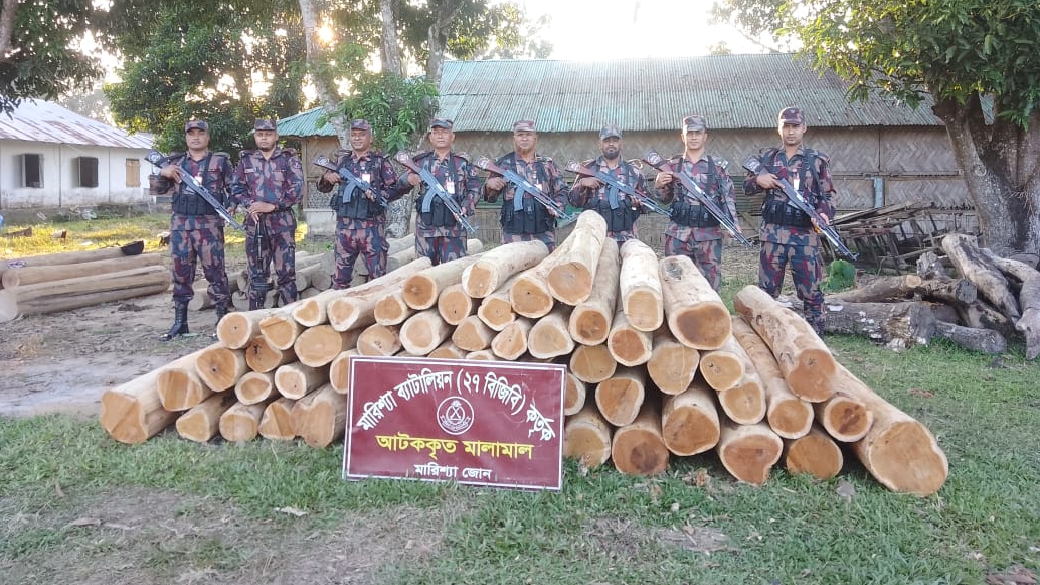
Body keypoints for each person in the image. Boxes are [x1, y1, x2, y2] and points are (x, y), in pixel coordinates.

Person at [744, 106, 836, 335]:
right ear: (779, 129)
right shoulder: (767, 158)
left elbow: (828, 196)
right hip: (772, 236)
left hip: (804, 237)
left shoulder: (816, 161)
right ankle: (764, 338)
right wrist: (759, 180)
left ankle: (816, 341)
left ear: (804, 128)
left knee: (811, 293)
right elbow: (747, 187)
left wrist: (824, 215)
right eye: (786, 127)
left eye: (795, 126)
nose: (791, 131)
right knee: (766, 293)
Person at [155, 119, 237, 341]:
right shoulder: (175, 162)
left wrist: (232, 205)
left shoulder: (220, 162)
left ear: (207, 137)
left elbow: (235, 187)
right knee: (180, 273)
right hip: (181, 226)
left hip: (209, 225)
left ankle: (222, 321)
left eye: (200, 133)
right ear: (186, 137)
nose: (196, 137)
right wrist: (163, 173)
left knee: (216, 273)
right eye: (191, 133)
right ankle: (180, 323)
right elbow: (157, 189)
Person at [653, 114, 740, 291]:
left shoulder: (717, 166)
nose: (693, 137)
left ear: (705, 136)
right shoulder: (672, 165)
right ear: (682, 137)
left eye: (698, 133)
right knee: (675, 286)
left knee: (709, 288)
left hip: (708, 236)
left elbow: (728, 197)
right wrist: (659, 185)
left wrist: (733, 223)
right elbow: (664, 199)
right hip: (678, 235)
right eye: (689, 133)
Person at [315, 119, 403, 289]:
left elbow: (395, 189)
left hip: (372, 229)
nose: (357, 138)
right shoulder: (342, 161)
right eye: (354, 135)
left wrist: (378, 195)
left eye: (362, 135)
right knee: (340, 281)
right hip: (344, 229)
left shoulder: (379, 162)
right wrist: (327, 178)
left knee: (378, 280)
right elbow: (323, 188)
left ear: (370, 138)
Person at [234, 118, 304, 310]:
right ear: (255, 136)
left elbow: (297, 190)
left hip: (282, 225)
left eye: (268, 134)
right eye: (260, 135)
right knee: (256, 275)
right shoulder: (246, 160)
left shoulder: (288, 159)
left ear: (276, 136)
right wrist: (251, 204)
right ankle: (254, 318)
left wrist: (272, 206)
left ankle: (291, 317)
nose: (264, 138)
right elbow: (237, 188)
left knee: (286, 275)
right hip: (255, 224)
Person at [398, 118, 480, 266]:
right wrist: (409, 179)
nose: (440, 136)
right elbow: (399, 185)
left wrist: (465, 207)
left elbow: (474, 189)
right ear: (430, 137)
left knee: (453, 272)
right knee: (424, 272)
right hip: (426, 230)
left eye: (444, 132)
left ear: (452, 137)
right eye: (436, 132)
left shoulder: (462, 163)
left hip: (454, 230)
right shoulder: (420, 162)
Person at [482, 119, 569, 252]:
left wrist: (558, 205)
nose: (524, 138)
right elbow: (490, 198)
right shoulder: (503, 164)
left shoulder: (547, 165)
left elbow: (562, 190)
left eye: (528, 135)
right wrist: (489, 186)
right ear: (514, 139)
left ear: (535, 138)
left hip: (543, 235)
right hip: (513, 235)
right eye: (520, 135)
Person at [567, 124, 649, 244]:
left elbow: (647, 203)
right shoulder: (588, 169)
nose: (611, 144)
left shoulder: (634, 171)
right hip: (594, 239)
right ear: (599, 144)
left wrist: (637, 204)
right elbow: (573, 202)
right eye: (606, 140)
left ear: (621, 143)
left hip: (626, 238)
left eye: (615, 140)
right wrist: (582, 184)